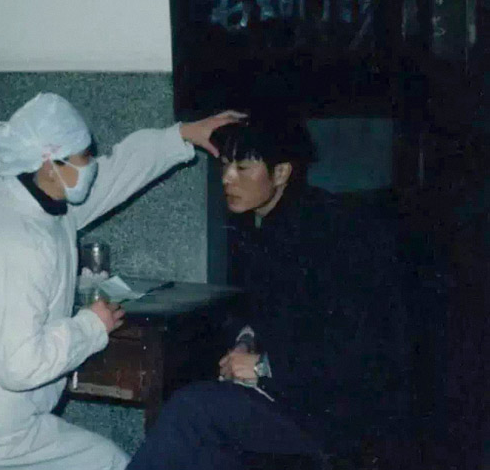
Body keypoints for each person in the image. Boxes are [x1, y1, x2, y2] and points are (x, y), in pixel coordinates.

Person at [0, 92, 244, 470]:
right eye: (84, 158)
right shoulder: (11, 241)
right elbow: (20, 365)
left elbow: (113, 176)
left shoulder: (20, 192)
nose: (92, 165)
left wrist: (182, 135)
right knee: (111, 463)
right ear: (49, 162)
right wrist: (92, 325)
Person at [127, 113, 410, 470]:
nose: (227, 179)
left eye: (243, 168)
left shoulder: (331, 234)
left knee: (192, 411)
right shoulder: (271, 222)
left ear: (281, 173)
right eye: (225, 165)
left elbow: (358, 348)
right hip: (296, 396)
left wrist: (263, 365)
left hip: (333, 416)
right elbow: (268, 311)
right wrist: (247, 342)